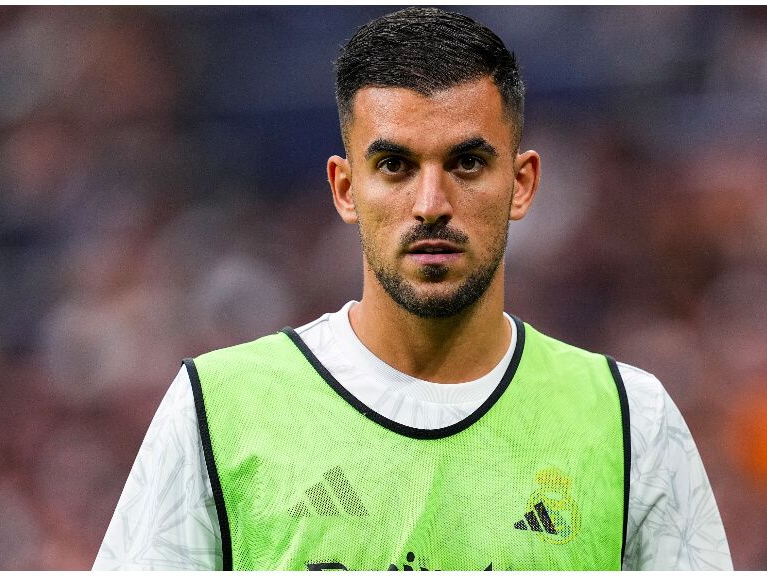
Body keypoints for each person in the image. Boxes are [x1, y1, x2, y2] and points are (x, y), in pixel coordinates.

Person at [94, 7, 731, 571]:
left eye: (467, 163)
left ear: (523, 183)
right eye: (395, 165)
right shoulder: (216, 411)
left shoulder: (629, 422)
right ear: (345, 188)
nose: (431, 204)